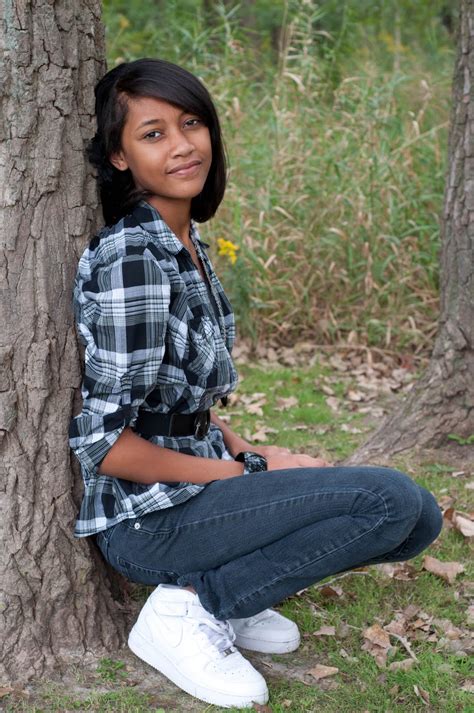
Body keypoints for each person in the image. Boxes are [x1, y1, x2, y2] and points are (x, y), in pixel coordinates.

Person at [69, 58, 443, 709]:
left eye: (190, 123)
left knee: (418, 521)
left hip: (195, 487)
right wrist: (247, 479)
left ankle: (232, 593)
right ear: (119, 156)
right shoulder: (133, 259)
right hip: (149, 518)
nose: (184, 144)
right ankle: (189, 609)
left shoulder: (186, 245)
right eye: (154, 133)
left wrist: (252, 454)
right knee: (388, 502)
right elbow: (106, 445)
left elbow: (186, 403)